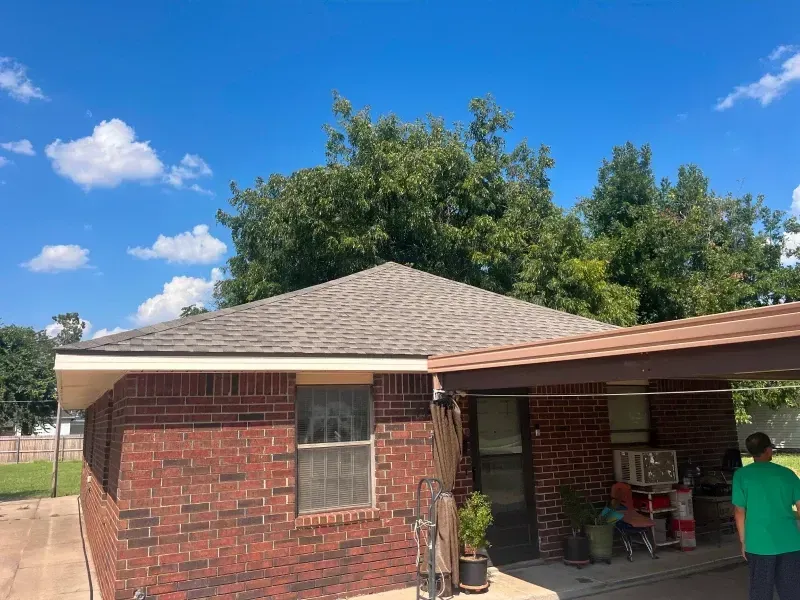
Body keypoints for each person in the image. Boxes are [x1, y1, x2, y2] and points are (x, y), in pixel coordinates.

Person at [733, 432, 800, 600]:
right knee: (791, 590)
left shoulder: (741, 475)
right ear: (768, 450)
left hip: (758, 543)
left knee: (760, 591)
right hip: (789, 542)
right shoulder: (787, 474)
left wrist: (743, 541)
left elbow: (739, 511)